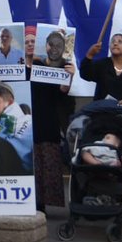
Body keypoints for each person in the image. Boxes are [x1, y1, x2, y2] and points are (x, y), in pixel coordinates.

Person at [25, 26, 73, 209]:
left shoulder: (48, 66)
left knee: (47, 163)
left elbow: (63, 90)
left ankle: (43, 204)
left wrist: (69, 76)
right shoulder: (15, 68)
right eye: (27, 41)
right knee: (29, 164)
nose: (30, 44)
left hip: (47, 121)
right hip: (25, 123)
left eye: (33, 41)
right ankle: (29, 202)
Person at [80, 31, 122, 106]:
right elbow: (85, 74)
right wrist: (90, 55)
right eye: (113, 41)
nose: (115, 43)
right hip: (101, 111)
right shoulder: (102, 64)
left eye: (120, 42)